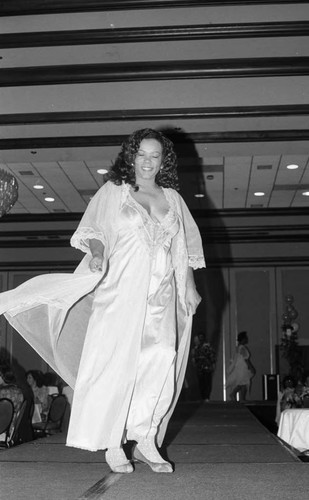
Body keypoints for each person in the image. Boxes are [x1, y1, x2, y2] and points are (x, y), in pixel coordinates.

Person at [0, 128, 205, 473]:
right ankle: (113, 441)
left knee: (159, 359)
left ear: (163, 160)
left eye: (155, 156)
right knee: (117, 364)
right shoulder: (115, 191)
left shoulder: (173, 199)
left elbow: (182, 249)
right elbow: (96, 230)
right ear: (131, 156)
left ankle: (145, 437)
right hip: (120, 290)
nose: (148, 162)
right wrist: (97, 254)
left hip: (161, 294)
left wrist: (189, 286)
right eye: (142, 155)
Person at [226, 331, 255, 402]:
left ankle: (240, 397)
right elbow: (246, 359)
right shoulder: (242, 348)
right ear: (243, 339)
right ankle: (235, 395)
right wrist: (251, 368)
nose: (247, 339)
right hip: (242, 368)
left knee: (243, 383)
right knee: (244, 382)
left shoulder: (238, 348)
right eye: (246, 338)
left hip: (240, 368)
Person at [0, 360, 24, 441]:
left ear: (2, 375)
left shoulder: (3, 392)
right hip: (11, 432)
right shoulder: (18, 390)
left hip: (2, 431)